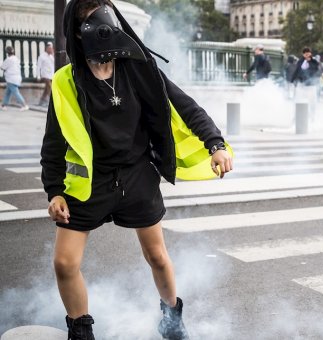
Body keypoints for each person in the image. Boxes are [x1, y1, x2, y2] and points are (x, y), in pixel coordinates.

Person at [40, 1, 234, 339]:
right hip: (92, 182)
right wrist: (54, 190)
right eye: (89, 22)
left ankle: (172, 321)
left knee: (157, 255)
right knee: (64, 263)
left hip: (137, 175)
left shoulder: (139, 69)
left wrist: (215, 145)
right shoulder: (66, 82)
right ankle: (81, 331)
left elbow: (185, 105)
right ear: (77, 32)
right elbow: (54, 141)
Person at [1, 46, 30, 111]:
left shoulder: (8, 59)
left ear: (7, 53)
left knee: (16, 92)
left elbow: (2, 67)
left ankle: (24, 105)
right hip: (17, 78)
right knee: (8, 92)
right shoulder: (16, 58)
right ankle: (3, 105)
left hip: (11, 78)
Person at [37, 42, 55, 107]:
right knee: (50, 88)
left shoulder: (51, 56)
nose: (51, 50)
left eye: (52, 48)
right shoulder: (42, 56)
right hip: (45, 75)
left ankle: (41, 101)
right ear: (46, 48)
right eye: (50, 48)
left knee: (46, 90)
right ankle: (52, 103)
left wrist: (53, 54)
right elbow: (38, 66)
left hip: (51, 75)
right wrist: (38, 76)